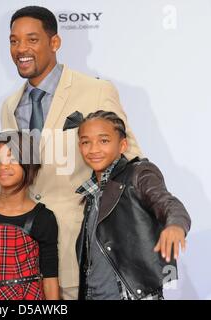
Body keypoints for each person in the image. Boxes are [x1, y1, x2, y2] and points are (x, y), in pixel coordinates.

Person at [0, 6, 142, 299]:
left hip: (81, 258)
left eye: (32, 39)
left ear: (54, 42)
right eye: (14, 41)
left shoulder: (95, 91)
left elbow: (129, 164)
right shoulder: (11, 106)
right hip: (24, 267)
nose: (20, 49)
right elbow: (11, 176)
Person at [74, 110, 191, 300]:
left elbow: (168, 203)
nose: (94, 149)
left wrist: (175, 225)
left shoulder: (139, 173)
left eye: (104, 141)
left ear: (122, 145)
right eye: (86, 142)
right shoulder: (91, 192)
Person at [0, 131, 59, 300]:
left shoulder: (43, 217)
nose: (3, 166)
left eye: (12, 159)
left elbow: (50, 278)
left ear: (29, 164)